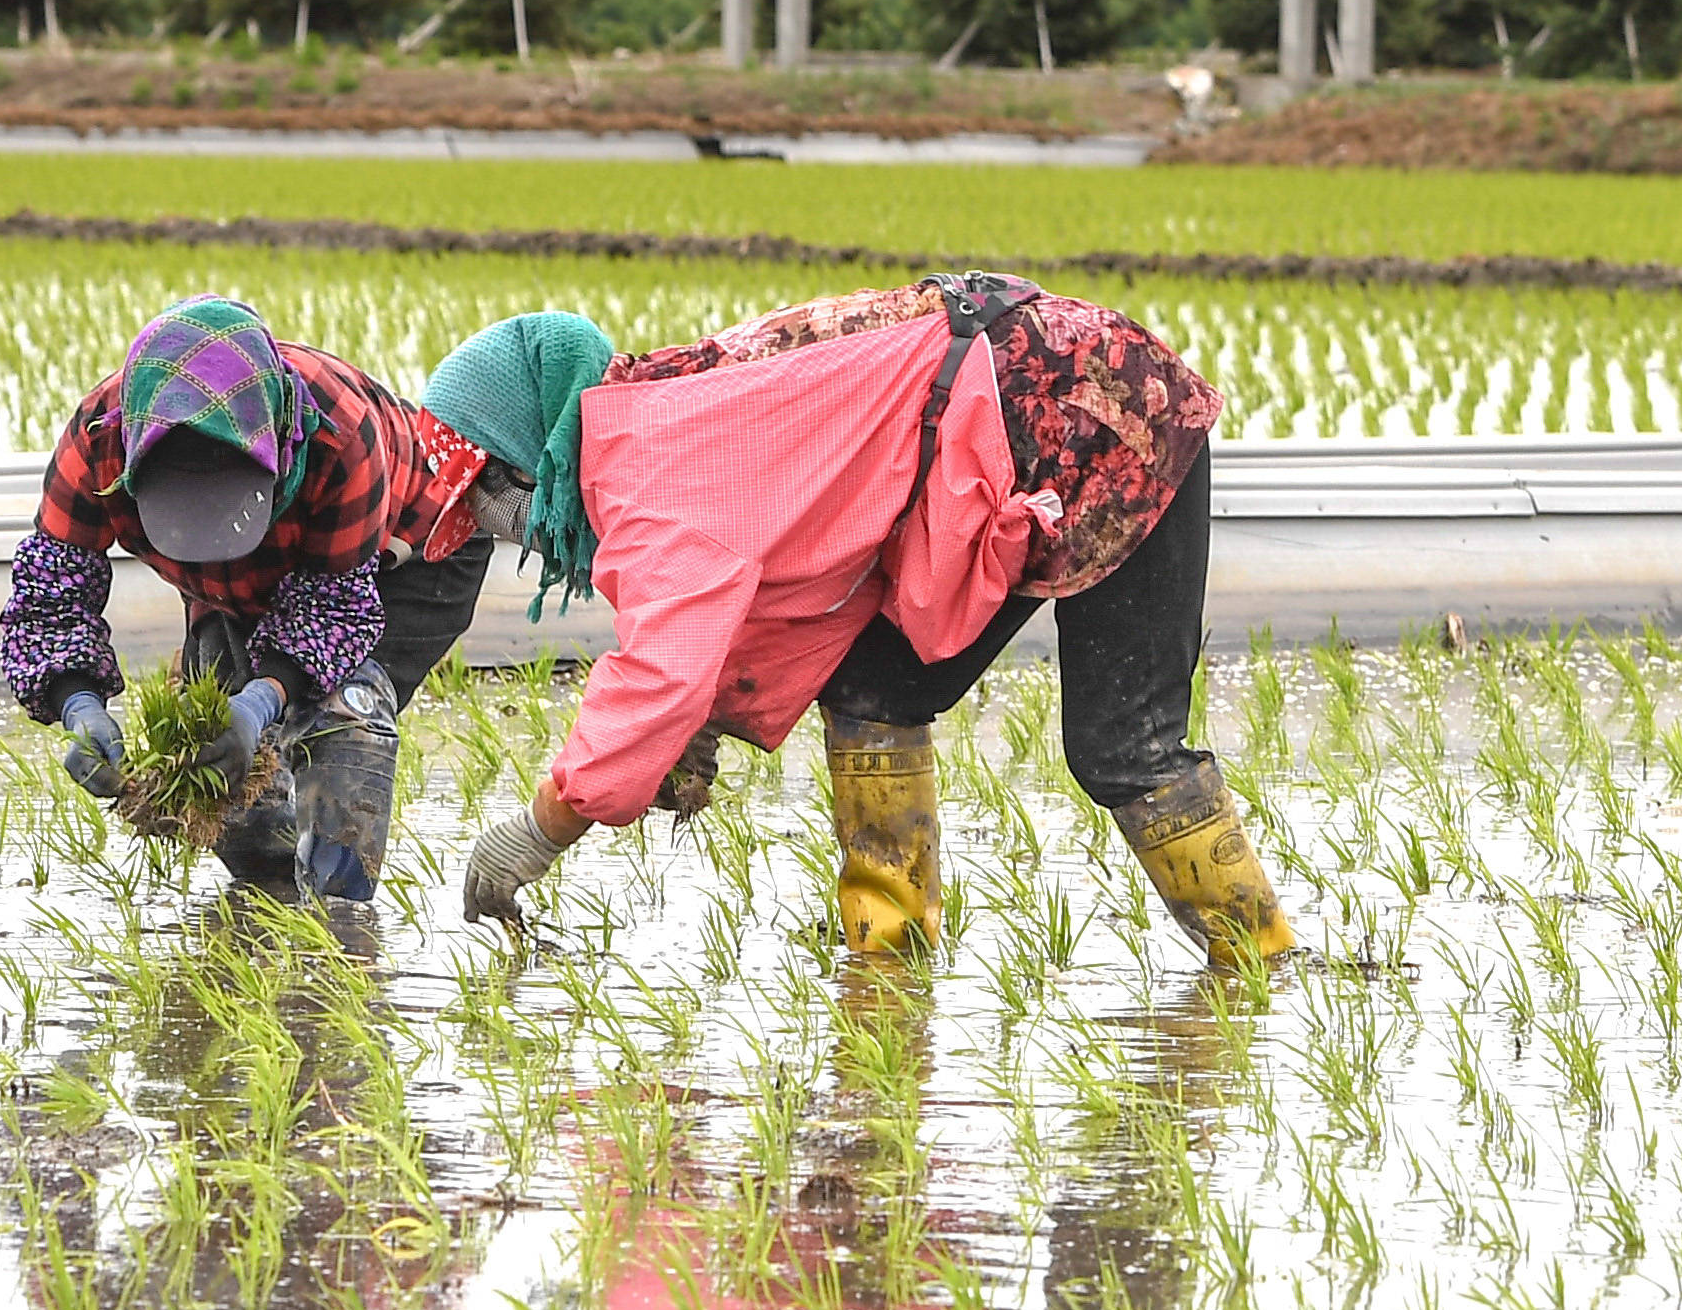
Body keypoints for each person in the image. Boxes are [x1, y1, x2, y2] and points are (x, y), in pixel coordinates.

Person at [426, 280, 1301, 969]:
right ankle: (889, 960)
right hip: (1005, 415)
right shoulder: (658, 405)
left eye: (490, 495)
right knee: (873, 692)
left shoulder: (651, 477)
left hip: (1097, 413)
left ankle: (1261, 967)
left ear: (526, 449)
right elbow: (784, 580)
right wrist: (702, 719)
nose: (502, 525)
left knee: (1122, 750)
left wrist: (536, 832)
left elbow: (659, 675)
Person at [3, 294, 504, 925]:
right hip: (239, 581)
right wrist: (77, 702)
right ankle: (261, 926)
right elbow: (50, 596)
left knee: (342, 719)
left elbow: (333, 610)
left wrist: (263, 701)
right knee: (230, 779)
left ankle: (338, 943)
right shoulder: (98, 440)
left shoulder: (339, 433)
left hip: (406, 553)